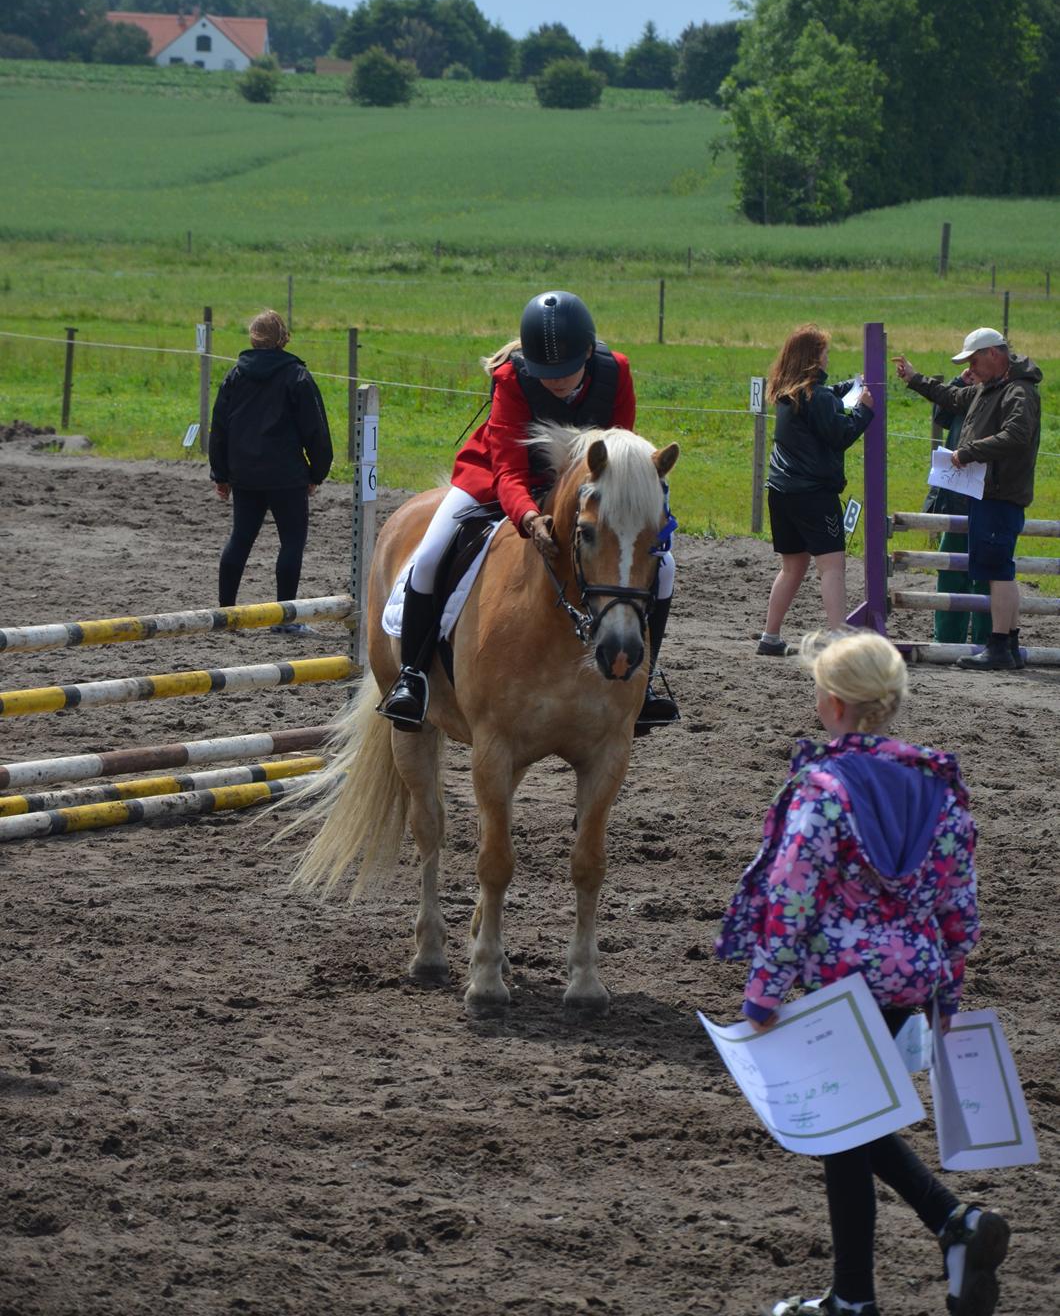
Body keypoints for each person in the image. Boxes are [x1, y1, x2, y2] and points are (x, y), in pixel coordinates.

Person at [716, 630, 1009, 1316]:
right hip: (910, 981)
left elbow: (793, 893)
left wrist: (764, 990)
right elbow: (957, 894)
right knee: (852, 1123)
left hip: (841, 982)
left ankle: (857, 1296)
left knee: (844, 1134)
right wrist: (949, 982)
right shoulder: (937, 787)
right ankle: (949, 1229)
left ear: (833, 704)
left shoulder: (822, 790)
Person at [378, 290, 678, 734]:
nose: (554, 381)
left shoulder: (616, 372)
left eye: (564, 372)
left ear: (587, 355)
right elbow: (508, 471)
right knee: (429, 554)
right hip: (501, 478)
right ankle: (413, 677)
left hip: (584, 487)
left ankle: (645, 681)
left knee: (665, 565)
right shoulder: (512, 378)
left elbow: (619, 450)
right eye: (546, 374)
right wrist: (528, 518)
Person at [894, 327, 1042, 672]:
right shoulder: (989, 389)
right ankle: (1007, 641)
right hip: (990, 493)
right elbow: (950, 397)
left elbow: (1017, 435)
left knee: (997, 570)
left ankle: (1000, 644)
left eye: (974, 360)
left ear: (994, 354)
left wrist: (969, 451)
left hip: (999, 494)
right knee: (999, 569)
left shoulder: (1017, 391)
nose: (970, 368)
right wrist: (916, 379)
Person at [208, 309, 333, 630]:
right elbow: (316, 431)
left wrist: (220, 474)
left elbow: (219, 427)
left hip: (245, 475)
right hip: (286, 477)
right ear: (282, 339)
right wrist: (317, 473)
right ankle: (285, 620)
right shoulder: (297, 377)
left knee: (239, 540)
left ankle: (225, 614)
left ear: (253, 338)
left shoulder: (235, 375)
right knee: (291, 543)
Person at [758, 326, 874, 655]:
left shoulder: (786, 393)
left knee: (791, 568)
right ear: (812, 358)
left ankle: (770, 636)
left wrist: (850, 387)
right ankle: (840, 640)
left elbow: (824, 401)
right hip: (814, 495)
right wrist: (865, 409)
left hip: (780, 492)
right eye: (824, 351)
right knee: (832, 566)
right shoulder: (818, 397)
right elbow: (840, 434)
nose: (828, 356)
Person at [923, 374, 992, 649]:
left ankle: (987, 640)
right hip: (955, 494)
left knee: (987, 574)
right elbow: (941, 416)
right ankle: (947, 637)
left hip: (987, 497)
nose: (970, 371)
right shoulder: (964, 392)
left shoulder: (1001, 398)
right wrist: (959, 381)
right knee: (951, 571)